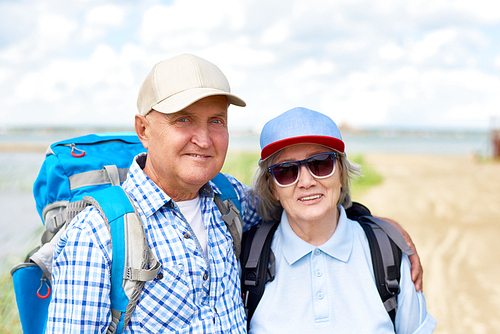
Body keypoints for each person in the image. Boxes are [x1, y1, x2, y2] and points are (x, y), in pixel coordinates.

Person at [47, 54, 423, 333]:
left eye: (216, 121)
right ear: (143, 129)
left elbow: (306, 205)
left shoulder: (231, 202)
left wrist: (379, 226)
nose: (204, 139)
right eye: (183, 120)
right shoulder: (96, 237)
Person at [248, 107, 437, 333]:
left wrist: (389, 232)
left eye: (321, 163)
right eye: (286, 170)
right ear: (272, 187)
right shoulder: (248, 257)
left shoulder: (388, 252)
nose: (306, 181)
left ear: (342, 174)